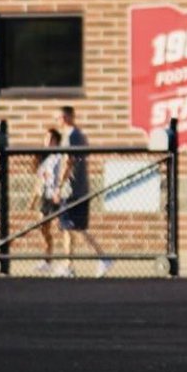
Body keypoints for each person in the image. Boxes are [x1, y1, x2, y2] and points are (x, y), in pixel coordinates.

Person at [53, 105, 112, 278]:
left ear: (65, 118)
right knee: (68, 228)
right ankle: (68, 264)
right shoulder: (77, 135)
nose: (57, 122)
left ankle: (102, 257)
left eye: (58, 118)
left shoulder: (72, 136)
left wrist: (59, 186)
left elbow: (68, 162)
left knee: (75, 227)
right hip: (74, 189)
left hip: (71, 190)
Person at [27, 127, 62, 273]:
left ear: (56, 141)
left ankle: (69, 262)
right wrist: (33, 199)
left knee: (70, 229)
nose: (47, 141)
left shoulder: (60, 157)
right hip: (46, 197)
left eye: (50, 139)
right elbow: (39, 181)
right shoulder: (43, 158)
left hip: (59, 196)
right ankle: (47, 260)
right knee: (43, 227)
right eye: (45, 138)